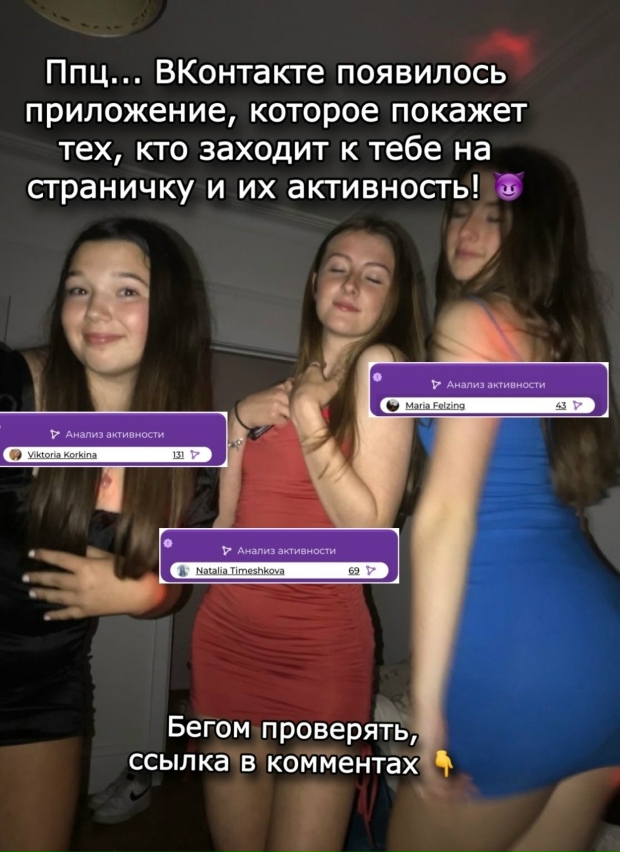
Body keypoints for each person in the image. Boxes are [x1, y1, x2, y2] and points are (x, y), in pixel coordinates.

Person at [387, 147, 620, 852]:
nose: (467, 228)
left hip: (519, 665)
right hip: (602, 657)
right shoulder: (560, 340)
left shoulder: (473, 323)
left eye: (496, 214)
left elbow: (447, 515)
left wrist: (427, 712)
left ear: (534, 230)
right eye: (460, 209)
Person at [191, 216, 429, 852]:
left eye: (373, 276)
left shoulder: (384, 368)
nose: (350, 284)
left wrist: (306, 415)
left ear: (394, 299)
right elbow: (223, 526)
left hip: (320, 653)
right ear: (314, 282)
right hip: (227, 642)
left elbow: (367, 532)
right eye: (338, 268)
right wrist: (236, 421)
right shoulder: (278, 393)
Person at [0, 218, 217, 852]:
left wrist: (142, 594)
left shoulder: (185, 457)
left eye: (126, 290)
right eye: (78, 289)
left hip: (41, 689)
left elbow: (174, 580)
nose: (95, 310)